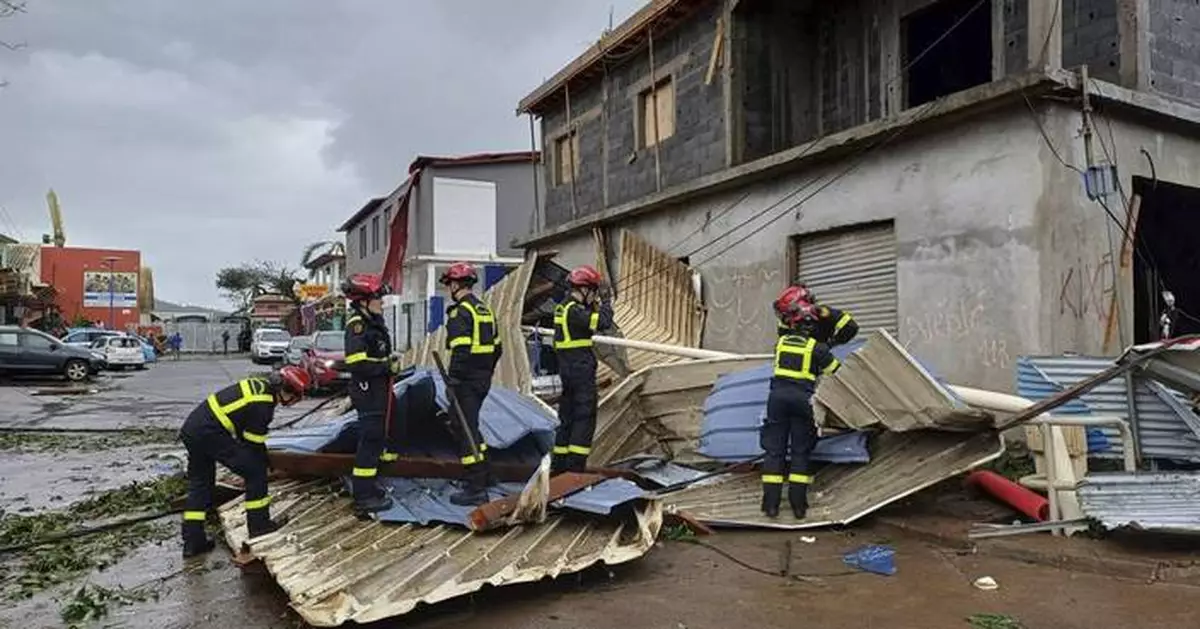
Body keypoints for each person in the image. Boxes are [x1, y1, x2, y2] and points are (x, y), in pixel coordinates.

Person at [179, 365, 310, 558]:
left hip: (193, 429)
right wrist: (263, 463)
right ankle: (259, 526)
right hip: (210, 434)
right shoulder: (264, 404)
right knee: (255, 473)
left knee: (200, 484)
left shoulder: (258, 386)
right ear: (288, 391)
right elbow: (252, 444)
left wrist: (258, 454)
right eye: (296, 397)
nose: (293, 402)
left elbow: (244, 429)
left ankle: (193, 542)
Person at [761, 288, 841, 520]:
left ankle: (771, 506)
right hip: (802, 401)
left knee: (774, 451)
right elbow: (836, 371)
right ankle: (798, 507)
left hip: (776, 400)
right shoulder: (818, 349)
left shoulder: (781, 344)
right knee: (800, 451)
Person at [440, 262, 502, 506]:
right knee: (472, 426)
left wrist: (454, 380)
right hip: (481, 379)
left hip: (465, 382)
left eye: (449, 285)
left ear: (456, 285)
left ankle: (475, 486)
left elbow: (461, 350)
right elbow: (498, 348)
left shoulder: (460, 313)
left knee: (463, 428)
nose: (449, 290)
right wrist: (485, 372)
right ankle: (487, 474)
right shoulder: (484, 310)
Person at [342, 273, 401, 514]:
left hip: (379, 390)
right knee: (370, 440)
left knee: (378, 439)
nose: (382, 302)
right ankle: (363, 496)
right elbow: (356, 363)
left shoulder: (373, 322)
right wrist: (387, 367)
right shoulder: (358, 326)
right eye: (378, 298)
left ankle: (370, 485)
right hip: (368, 392)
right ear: (364, 300)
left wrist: (389, 363)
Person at [551, 265, 613, 474]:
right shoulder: (575, 311)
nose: (594, 295)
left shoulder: (563, 308)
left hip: (567, 371)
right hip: (580, 372)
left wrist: (594, 305)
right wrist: (605, 302)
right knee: (584, 418)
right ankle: (575, 470)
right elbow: (603, 322)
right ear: (585, 289)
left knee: (567, 418)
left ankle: (558, 469)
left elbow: (584, 325)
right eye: (593, 291)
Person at [776, 282, 859, 347]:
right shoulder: (785, 321)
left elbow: (851, 327)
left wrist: (831, 344)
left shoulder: (823, 313)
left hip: (821, 361)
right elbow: (782, 339)